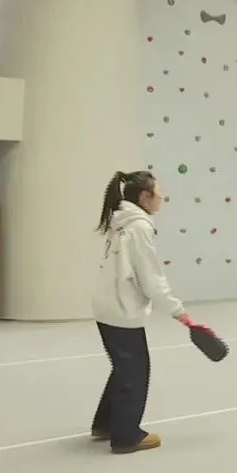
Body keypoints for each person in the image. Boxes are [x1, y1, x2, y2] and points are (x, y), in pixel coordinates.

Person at [90, 170, 195, 454]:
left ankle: (105, 424)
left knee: (123, 367)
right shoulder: (138, 227)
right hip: (120, 307)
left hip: (106, 303)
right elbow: (150, 277)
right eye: (159, 192)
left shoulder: (122, 220)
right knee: (135, 371)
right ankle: (126, 436)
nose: (162, 197)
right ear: (145, 197)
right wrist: (177, 310)